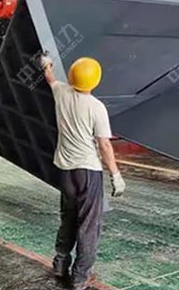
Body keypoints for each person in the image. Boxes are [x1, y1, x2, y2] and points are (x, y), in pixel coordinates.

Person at [40, 53, 126, 290]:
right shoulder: (97, 108)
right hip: (88, 172)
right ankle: (80, 277)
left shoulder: (61, 92)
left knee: (67, 219)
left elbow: (49, 77)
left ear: (71, 77)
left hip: (65, 171)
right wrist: (116, 175)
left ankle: (60, 264)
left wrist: (46, 63)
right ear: (95, 80)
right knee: (88, 225)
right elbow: (104, 145)